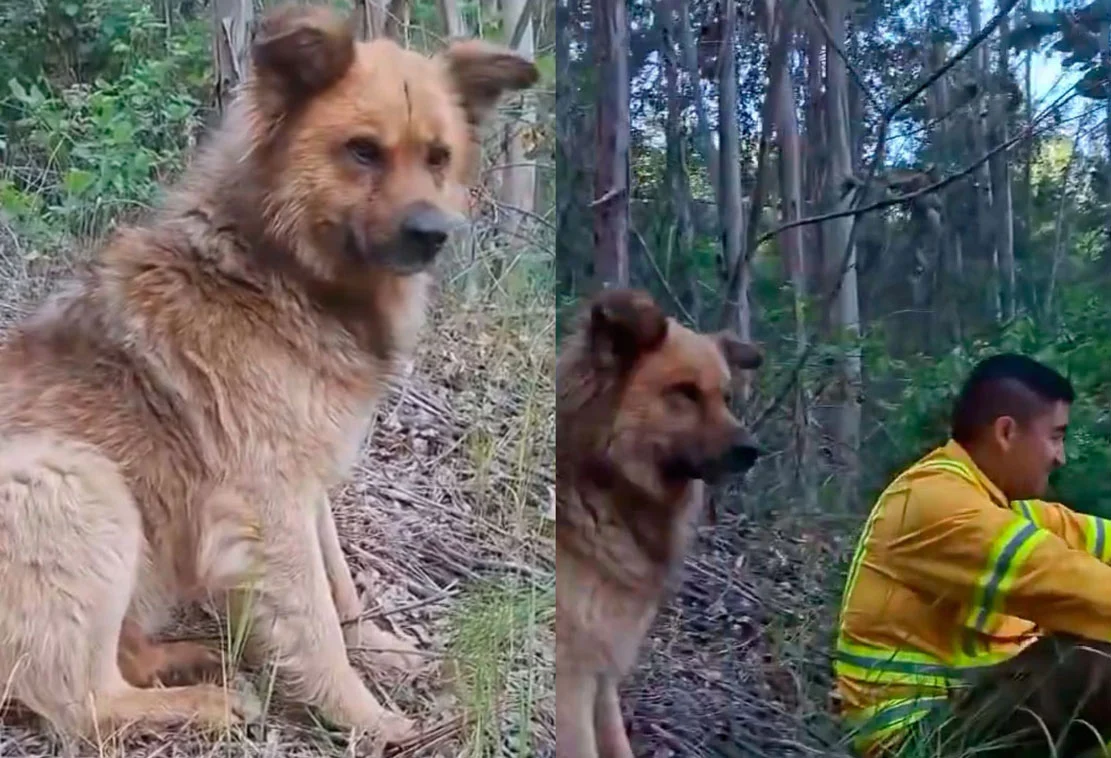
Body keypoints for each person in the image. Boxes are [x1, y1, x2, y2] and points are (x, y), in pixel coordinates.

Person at [834, 353, 1111, 757]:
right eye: (1055, 435)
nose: (1060, 456)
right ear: (1006, 432)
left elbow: (1095, 538)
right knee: (1098, 656)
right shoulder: (936, 503)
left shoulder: (1001, 506)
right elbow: (1071, 583)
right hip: (914, 742)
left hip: (962, 714)